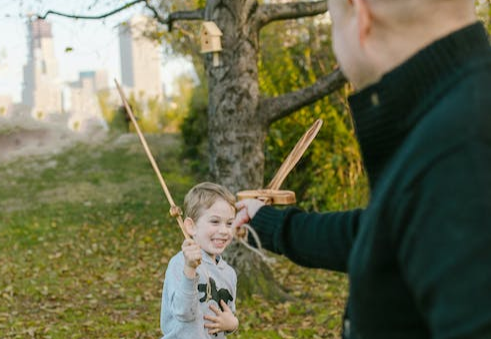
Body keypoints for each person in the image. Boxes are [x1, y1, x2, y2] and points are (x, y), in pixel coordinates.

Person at [233, 0, 491, 338]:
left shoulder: (457, 149)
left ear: (361, 17)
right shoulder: (455, 119)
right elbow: (388, 234)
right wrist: (270, 223)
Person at [160, 182, 239, 338]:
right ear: (191, 226)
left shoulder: (229, 273)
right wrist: (190, 269)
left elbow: (228, 314)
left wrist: (232, 324)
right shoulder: (179, 264)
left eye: (229, 223)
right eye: (215, 222)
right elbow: (183, 313)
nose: (224, 231)